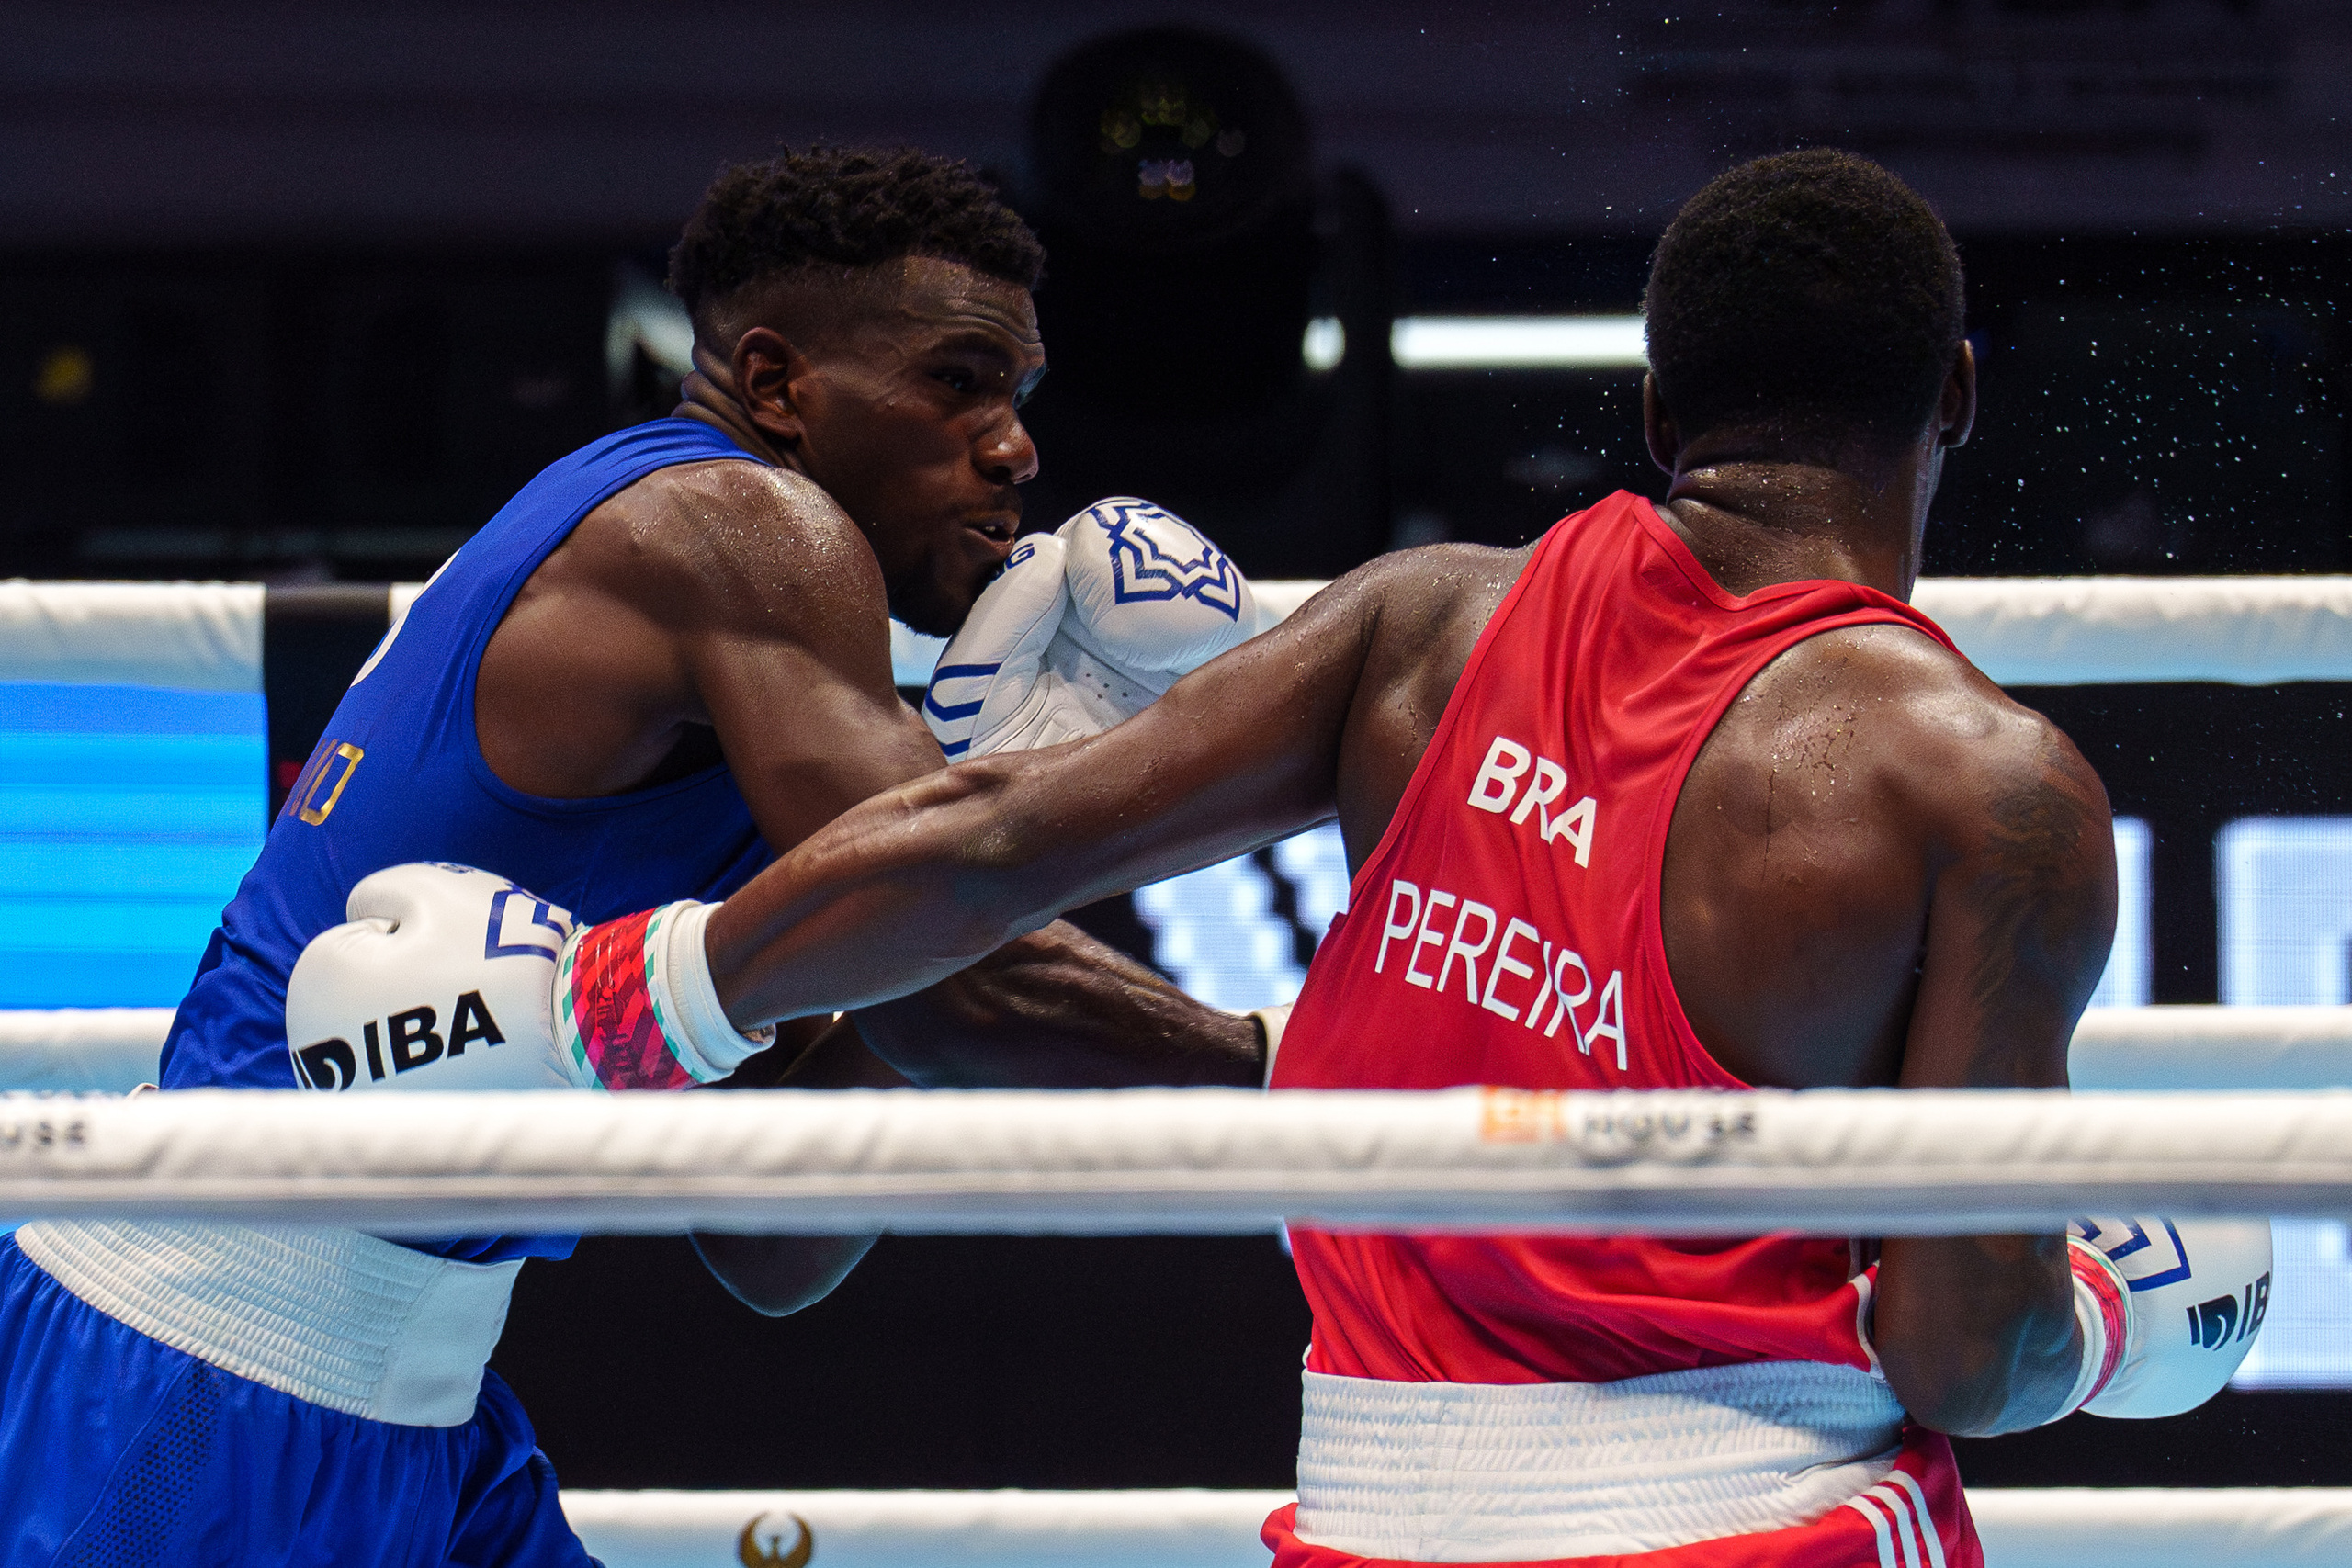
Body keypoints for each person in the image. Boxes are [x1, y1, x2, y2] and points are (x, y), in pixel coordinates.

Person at [401, 150, 2269, 1565]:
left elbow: (974, 846)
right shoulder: (1990, 789)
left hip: (1367, 1516)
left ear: (1651, 412)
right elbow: (1959, 1353)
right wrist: (2101, 1314)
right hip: (1761, 1514)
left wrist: (612, 1000)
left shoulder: (1420, 626)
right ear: (1947, 394)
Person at [0, 148, 1265, 1567]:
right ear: (779, 386)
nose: (1014, 446)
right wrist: (1313, 1070)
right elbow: (956, 981)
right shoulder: (738, 526)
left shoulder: (743, 708)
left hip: (410, 1408)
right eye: (958, 381)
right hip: (198, 1391)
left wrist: (1000, 831)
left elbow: (771, 1240)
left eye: (1016, 396)